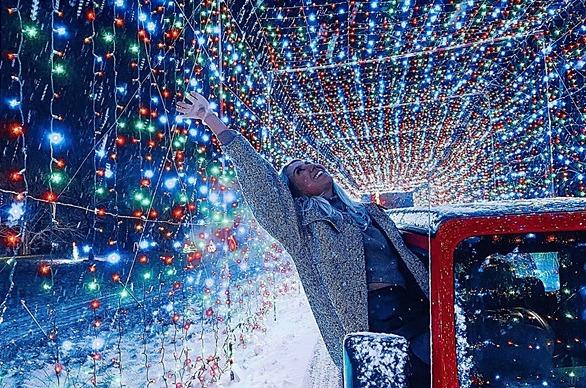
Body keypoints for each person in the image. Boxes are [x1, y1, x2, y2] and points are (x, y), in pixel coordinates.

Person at [177, 92, 430, 386]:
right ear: (295, 192)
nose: (311, 167)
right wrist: (211, 119)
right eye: (300, 171)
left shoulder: (368, 213)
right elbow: (260, 182)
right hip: (372, 322)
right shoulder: (301, 227)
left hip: (416, 308)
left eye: (309, 163)